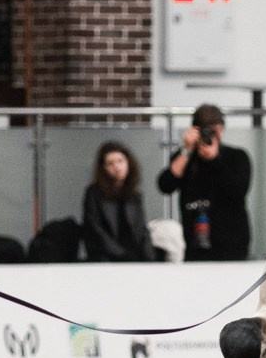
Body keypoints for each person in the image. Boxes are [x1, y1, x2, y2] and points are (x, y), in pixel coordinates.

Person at [156, 104, 252, 261]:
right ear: (194, 130)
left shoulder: (236, 157)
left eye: (214, 131)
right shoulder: (185, 158)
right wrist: (186, 151)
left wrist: (214, 160)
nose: (209, 136)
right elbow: (165, 185)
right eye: (204, 131)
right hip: (195, 242)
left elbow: (238, 191)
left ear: (221, 129)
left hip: (232, 242)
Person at [80, 141, 154, 262]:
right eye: (111, 163)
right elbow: (95, 229)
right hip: (104, 255)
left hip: (132, 253)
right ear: (104, 168)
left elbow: (141, 228)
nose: (117, 167)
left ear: (128, 163)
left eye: (120, 161)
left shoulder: (135, 193)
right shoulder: (94, 193)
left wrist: (151, 258)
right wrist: (122, 254)